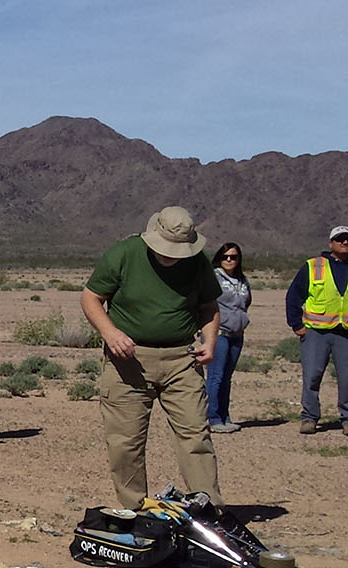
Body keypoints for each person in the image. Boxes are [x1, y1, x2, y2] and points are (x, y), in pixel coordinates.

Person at [80, 206, 221, 508]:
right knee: (126, 443)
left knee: (195, 436)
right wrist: (110, 333)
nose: (172, 255)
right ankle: (136, 511)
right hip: (128, 361)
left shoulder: (198, 263)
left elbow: (209, 306)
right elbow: (91, 297)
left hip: (183, 359)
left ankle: (208, 512)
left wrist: (210, 342)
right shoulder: (124, 254)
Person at [285, 224, 348, 434]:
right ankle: (309, 417)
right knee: (312, 375)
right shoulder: (314, 266)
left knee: (347, 377)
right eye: (340, 239)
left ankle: (347, 418)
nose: (345, 242)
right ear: (331, 243)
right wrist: (296, 324)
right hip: (315, 332)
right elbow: (294, 295)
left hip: (345, 332)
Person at [205, 242, 250, 433]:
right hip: (219, 334)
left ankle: (225, 416)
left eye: (233, 257)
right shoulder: (214, 277)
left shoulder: (242, 280)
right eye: (225, 257)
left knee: (227, 377)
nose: (229, 260)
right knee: (215, 376)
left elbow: (246, 304)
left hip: (236, 335)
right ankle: (213, 418)